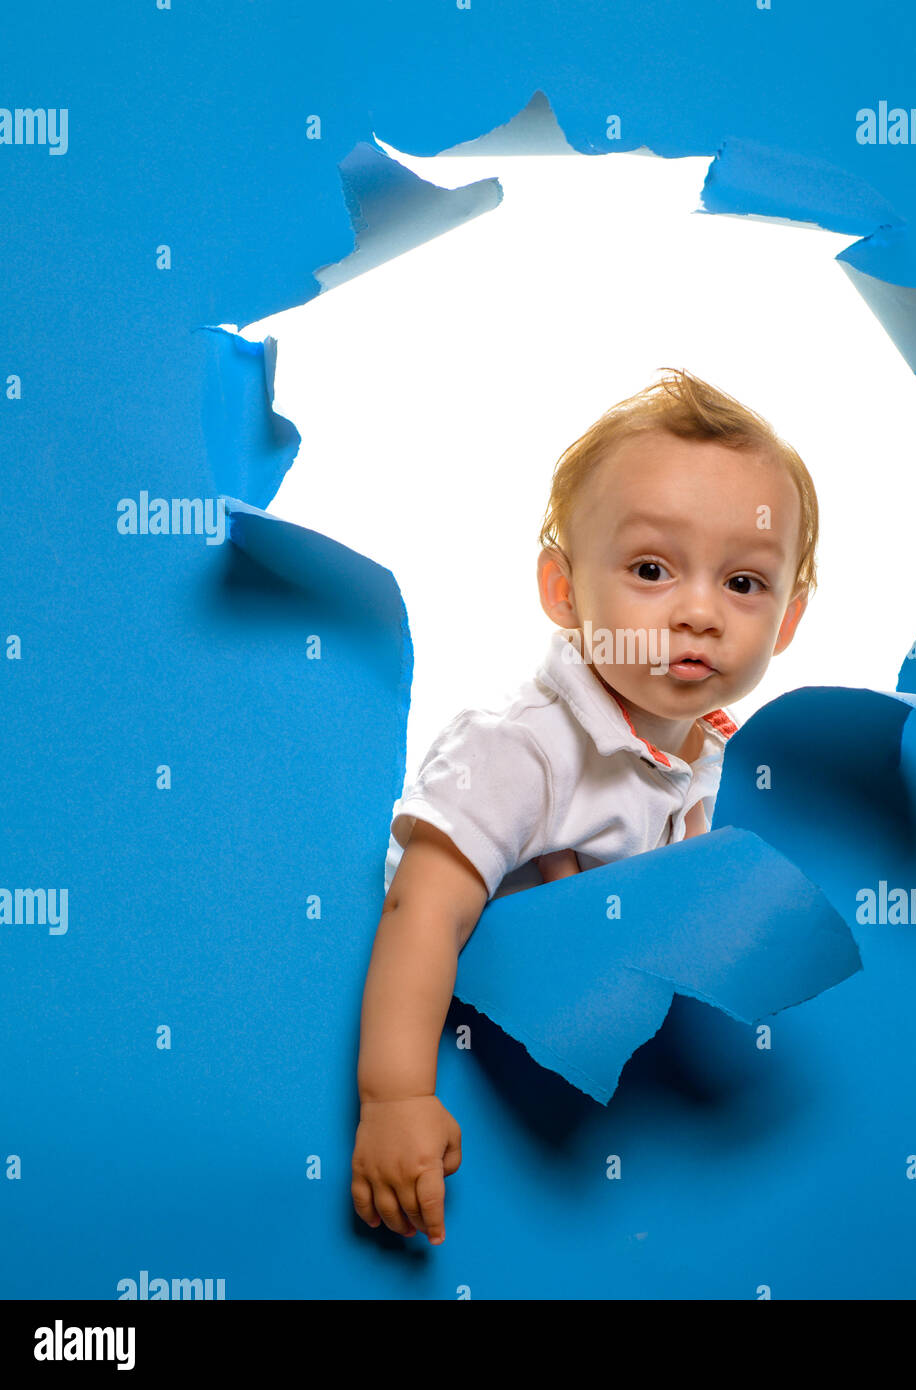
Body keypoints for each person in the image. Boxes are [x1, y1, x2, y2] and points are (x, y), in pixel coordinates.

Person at [351, 367, 818, 1245]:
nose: (698, 612)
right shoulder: (522, 750)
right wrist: (395, 1096)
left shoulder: (728, 762)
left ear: (789, 621)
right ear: (564, 591)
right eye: (651, 568)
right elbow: (425, 911)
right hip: (506, 1110)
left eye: (745, 584)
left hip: (640, 1150)